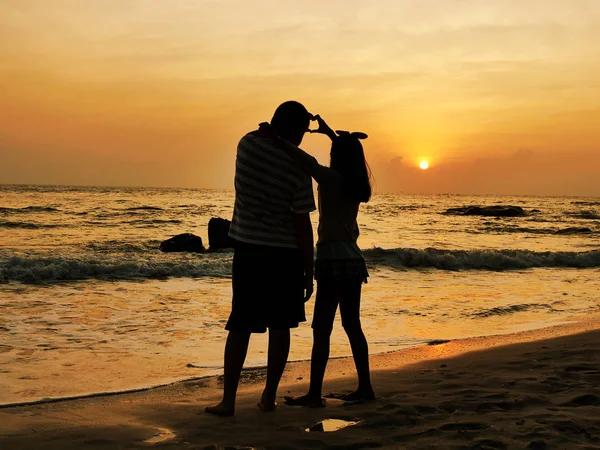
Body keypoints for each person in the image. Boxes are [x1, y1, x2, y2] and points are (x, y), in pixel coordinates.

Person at [205, 101, 316, 416]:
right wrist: (309, 270)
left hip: (250, 250)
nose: (304, 138)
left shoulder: (247, 145)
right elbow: (302, 223)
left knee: (240, 323)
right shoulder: (298, 167)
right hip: (285, 255)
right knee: (281, 326)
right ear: (293, 130)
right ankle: (268, 396)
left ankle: (228, 401)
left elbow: (260, 132)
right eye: (303, 131)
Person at [259, 115, 375, 407]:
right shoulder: (355, 182)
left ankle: (314, 394)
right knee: (352, 326)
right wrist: (327, 133)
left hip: (331, 261)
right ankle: (365, 387)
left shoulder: (331, 178)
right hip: (353, 260)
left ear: (337, 157)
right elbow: (347, 152)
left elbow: (306, 161)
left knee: (322, 329)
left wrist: (278, 141)